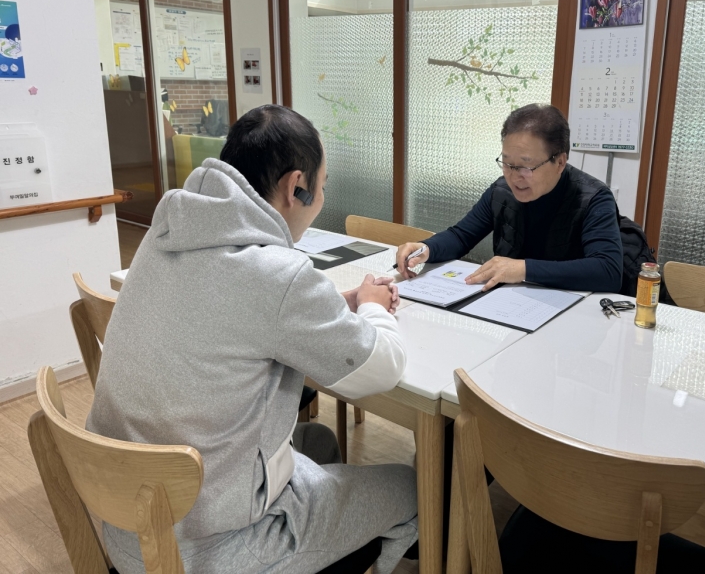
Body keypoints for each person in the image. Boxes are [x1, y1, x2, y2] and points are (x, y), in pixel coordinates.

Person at [86, 105, 418, 574]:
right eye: (322, 187)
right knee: (409, 487)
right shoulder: (275, 272)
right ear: (295, 186)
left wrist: (337, 305)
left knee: (317, 441)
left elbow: (228, 312)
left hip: (128, 523)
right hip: (209, 550)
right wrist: (372, 306)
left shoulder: (169, 229)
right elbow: (382, 367)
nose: (321, 198)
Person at [396, 103, 623, 292]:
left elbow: (608, 271)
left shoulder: (593, 199)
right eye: (507, 163)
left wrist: (523, 269)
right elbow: (462, 236)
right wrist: (425, 248)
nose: (514, 177)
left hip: (569, 312)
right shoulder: (502, 190)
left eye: (525, 166)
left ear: (560, 162)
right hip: (508, 306)